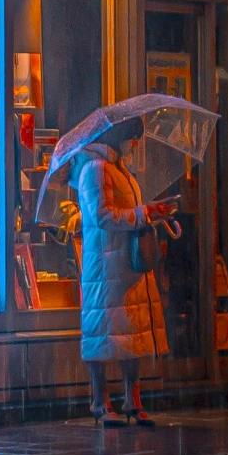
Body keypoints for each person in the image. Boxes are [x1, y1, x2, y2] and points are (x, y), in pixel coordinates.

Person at [73, 135, 173, 426]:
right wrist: (143, 213)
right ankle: (99, 400)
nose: (135, 145)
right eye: (133, 138)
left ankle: (133, 398)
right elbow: (101, 216)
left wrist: (154, 213)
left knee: (131, 331)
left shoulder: (120, 169)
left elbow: (127, 212)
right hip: (105, 266)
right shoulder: (95, 168)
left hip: (125, 265)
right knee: (102, 332)